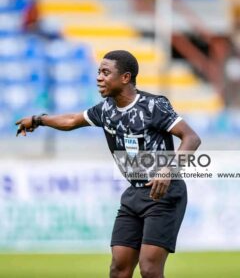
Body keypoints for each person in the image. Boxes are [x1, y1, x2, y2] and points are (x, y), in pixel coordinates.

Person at [16, 50, 201, 278]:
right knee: (119, 269)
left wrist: (168, 170)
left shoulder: (153, 106)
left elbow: (191, 138)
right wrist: (38, 120)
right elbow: (72, 120)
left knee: (150, 269)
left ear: (125, 77)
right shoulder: (106, 110)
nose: (99, 78)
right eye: (98, 72)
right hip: (134, 194)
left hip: (163, 193)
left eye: (105, 72)